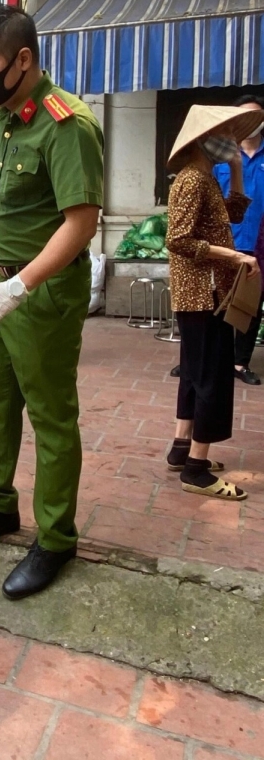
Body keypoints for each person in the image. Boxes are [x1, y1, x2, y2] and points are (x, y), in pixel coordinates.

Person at [0, 5, 104, 600]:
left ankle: (57, 537)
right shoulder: (6, 120)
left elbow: (80, 222)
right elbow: (15, 198)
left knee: (51, 415)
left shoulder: (67, 125)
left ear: (23, 60)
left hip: (39, 293)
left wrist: (22, 284)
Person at [165, 104, 264, 501]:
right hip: (203, 292)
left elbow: (230, 216)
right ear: (203, 140)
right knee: (212, 377)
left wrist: (237, 169)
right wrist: (236, 256)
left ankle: (182, 448)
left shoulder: (204, 177)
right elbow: (179, 239)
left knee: (194, 371)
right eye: (223, 134)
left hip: (205, 292)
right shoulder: (192, 179)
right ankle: (198, 469)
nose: (230, 141)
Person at [213, 93, 264, 385]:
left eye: (256, 116)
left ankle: (240, 363)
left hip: (259, 245)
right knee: (215, 305)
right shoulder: (221, 156)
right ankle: (211, 359)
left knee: (250, 307)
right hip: (225, 244)